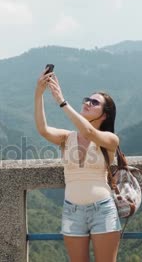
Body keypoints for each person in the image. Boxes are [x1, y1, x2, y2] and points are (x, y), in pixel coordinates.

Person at [34, 68, 121, 262]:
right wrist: (38, 93)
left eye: (95, 102)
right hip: (72, 211)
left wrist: (62, 102)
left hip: (103, 210)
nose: (88, 103)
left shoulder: (110, 139)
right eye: (87, 100)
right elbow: (42, 129)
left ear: (105, 115)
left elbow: (89, 132)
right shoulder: (67, 138)